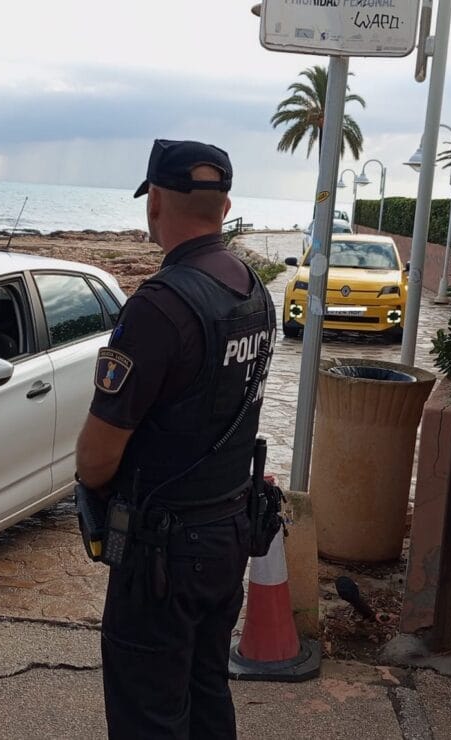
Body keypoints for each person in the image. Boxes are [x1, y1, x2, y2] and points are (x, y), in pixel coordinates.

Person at [75, 139, 275, 739]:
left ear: (155, 201)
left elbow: (96, 457)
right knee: (206, 690)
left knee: (148, 714)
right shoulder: (253, 290)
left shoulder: (159, 308)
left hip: (164, 553)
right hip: (229, 532)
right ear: (224, 205)